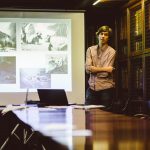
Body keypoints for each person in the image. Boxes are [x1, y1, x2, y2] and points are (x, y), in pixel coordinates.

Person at [85, 25, 116, 108]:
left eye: (106, 34)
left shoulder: (112, 51)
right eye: (101, 34)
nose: (103, 36)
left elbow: (105, 75)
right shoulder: (90, 49)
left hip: (106, 89)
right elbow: (88, 69)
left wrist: (94, 69)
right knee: (87, 115)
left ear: (108, 37)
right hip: (92, 87)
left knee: (105, 117)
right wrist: (107, 69)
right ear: (97, 35)